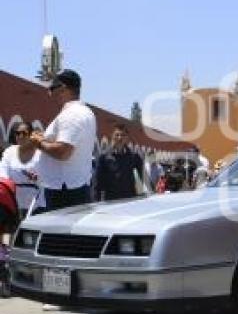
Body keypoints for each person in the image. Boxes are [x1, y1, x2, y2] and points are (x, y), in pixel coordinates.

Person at [30, 70, 97, 211]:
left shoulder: (72, 114)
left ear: (63, 88)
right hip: (71, 187)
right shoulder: (84, 112)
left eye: (53, 88)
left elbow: (63, 152)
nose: (51, 93)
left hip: (63, 191)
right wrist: (46, 139)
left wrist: (39, 142)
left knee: (58, 232)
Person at [0, 121, 45, 219]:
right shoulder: (9, 152)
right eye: (17, 133)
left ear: (31, 135)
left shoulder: (41, 154)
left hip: (36, 204)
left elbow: (47, 177)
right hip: (14, 203)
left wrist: (38, 178)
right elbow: (3, 174)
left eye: (24, 133)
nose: (20, 136)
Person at [95, 123, 144, 201]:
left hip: (130, 199)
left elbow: (139, 180)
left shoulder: (134, 157)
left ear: (127, 137)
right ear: (112, 136)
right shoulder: (104, 157)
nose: (120, 137)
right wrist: (97, 202)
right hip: (111, 200)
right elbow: (98, 183)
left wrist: (141, 197)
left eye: (123, 135)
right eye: (117, 135)